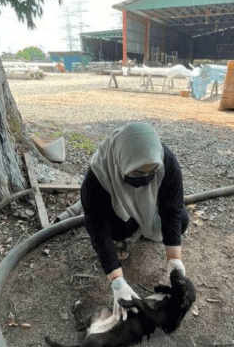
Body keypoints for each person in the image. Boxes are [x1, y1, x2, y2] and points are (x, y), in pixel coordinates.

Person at [57, 122, 188, 319]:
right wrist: (117, 281)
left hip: (149, 208)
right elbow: (98, 230)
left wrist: (174, 259)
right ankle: (126, 235)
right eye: (137, 173)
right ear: (120, 164)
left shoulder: (167, 162)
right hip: (117, 212)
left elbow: (172, 210)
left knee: (182, 222)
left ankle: (140, 229)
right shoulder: (97, 177)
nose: (145, 178)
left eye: (151, 172)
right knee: (115, 232)